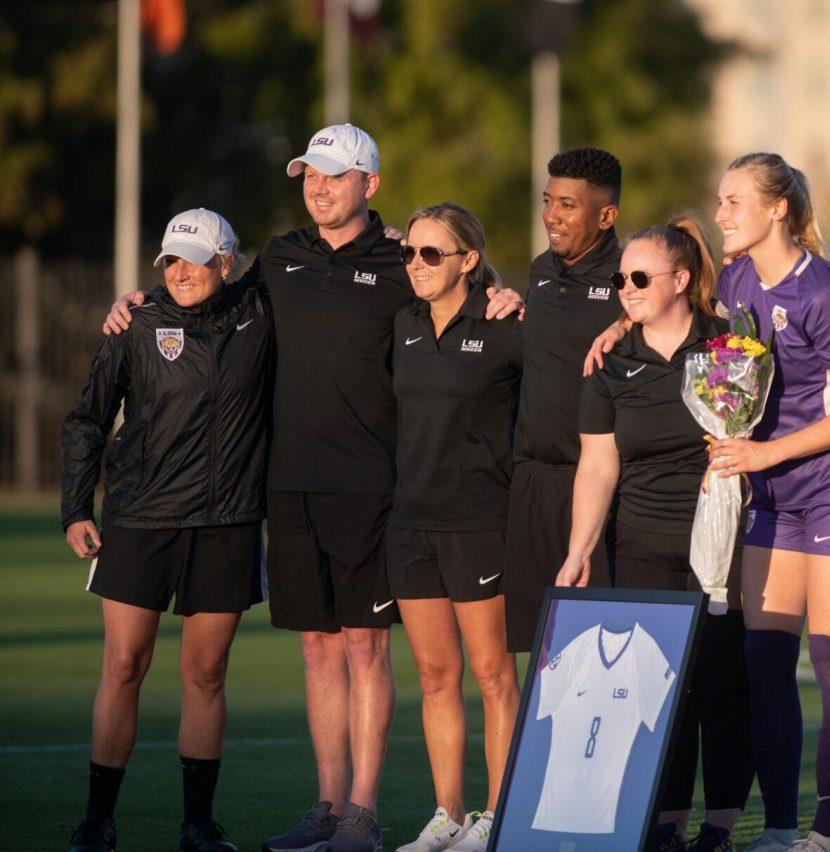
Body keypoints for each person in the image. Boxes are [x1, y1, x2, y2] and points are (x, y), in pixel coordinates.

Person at [102, 125, 523, 852]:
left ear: (370, 185)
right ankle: (327, 808)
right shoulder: (281, 257)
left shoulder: (401, 259)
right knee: (319, 652)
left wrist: (504, 293)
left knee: (365, 649)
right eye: (310, 175)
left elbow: (463, 283)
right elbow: (208, 296)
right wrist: (142, 300)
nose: (318, 187)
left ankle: (363, 813)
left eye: (333, 175)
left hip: (373, 488)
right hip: (288, 485)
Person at [62, 209, 270, 852]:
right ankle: (98, 819)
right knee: (124, 666)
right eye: (172, 259)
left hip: (227, 523)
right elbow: (87, 420)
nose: (182, 271)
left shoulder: (263, 314)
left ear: (226, 263)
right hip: (140, 520)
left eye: (197, 259)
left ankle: (198, 823)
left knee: (206, 673)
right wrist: (76, 508)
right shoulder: (136, 322)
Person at [557, 217, 754, 852]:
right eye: (620, 280)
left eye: (640, 278)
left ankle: (719, 828)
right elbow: (598, 463)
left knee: (723, 687)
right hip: (640, 542)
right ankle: (665, 823)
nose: (627, 289)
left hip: (721, 548)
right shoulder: (609, 360)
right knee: (660, 692)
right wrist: (579, 549)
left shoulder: (727, 342)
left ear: (681, 280)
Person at [706, 153, 830, 852]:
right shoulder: (737, 277)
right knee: (764, 662)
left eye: (734, 201)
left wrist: (766, 453)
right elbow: (723, 369)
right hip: (769, 497)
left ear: (776, 209)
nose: (721, 215)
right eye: (720, 201)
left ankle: (825, 836)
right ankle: (776, 830)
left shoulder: (823, 292)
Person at [386, 204, 522, 852]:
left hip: (479, 521)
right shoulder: (402, 325)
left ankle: (497, 818)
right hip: (410, 523)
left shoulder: (504, 325)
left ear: (468, 259)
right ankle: (449, 816)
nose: (416, 264)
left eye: (431, 254)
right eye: (410, 253)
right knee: (436, 678)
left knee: (493, 675)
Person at [503, 147, 626, 654]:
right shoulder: (539, 271)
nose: (551, 215)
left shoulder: (629, 277)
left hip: (599, 488)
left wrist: (624, 321)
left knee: (602, 648)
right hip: (532, 482)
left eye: (568, 205)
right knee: (542, 650)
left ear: (607, 215)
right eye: (548, 200)